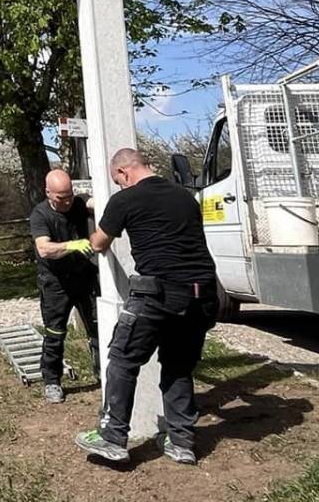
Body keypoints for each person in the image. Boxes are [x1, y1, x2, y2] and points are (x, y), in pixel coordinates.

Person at [75, 147, 220, 467]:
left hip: (157, 294)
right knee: (178, 365)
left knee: (122, 358)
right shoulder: (185, 197)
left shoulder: (125, 200)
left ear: (125, 172)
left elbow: (99, 242)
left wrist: (99, 212)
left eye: (118, 180)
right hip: (201, 295)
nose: (119, 186)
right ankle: (181, 441)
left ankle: (113, 437)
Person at [28, 167, 99, 402]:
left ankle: (104, 373)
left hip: (85, 278)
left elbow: (97, 203)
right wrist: (72, 245)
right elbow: (44, 248)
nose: (67, 201)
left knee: (99, 328)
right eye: (61, 197)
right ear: (48, 193)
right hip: (55, 283)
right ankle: (52, 381)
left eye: (69, 195)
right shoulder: (40, 215)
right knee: (55, 333)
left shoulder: (78, 204)